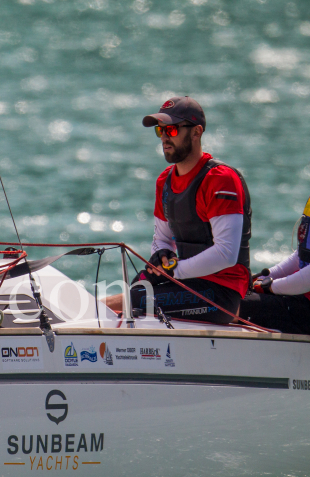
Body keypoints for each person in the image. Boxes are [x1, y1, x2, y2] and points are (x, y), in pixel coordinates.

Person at [106, 96, 252, 324]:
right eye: (160, 131)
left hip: (222, 290)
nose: (164, 137)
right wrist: (162, 254)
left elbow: (227, 253)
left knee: (136, 298)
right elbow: (161, 239)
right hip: (189, 279)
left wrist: (175, 271)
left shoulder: (220, 180)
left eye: (172, 130)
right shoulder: (164, 181)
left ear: (196, 132)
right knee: (138, 284)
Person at [238, 196, 310, 334]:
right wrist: (262, 279)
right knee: (235, 296)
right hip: (301, 297)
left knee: (232, 305)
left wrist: (271, 287)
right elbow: (301, 256)